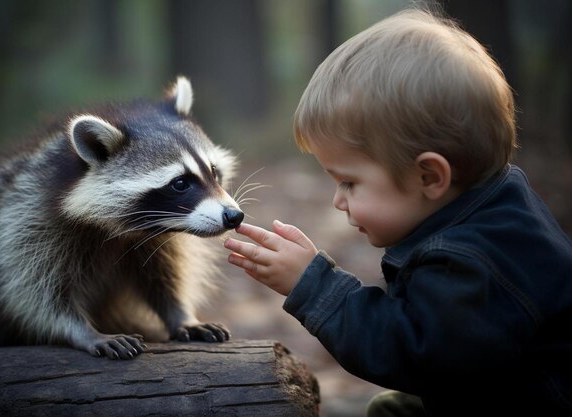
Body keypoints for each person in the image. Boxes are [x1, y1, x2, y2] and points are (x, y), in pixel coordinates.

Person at [223, 7, 572, 417]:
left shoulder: (470, 262)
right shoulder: (494, 208)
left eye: (349, 182)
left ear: (429, 176)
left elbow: (417, 355)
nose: (339, 200)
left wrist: (314, 287)